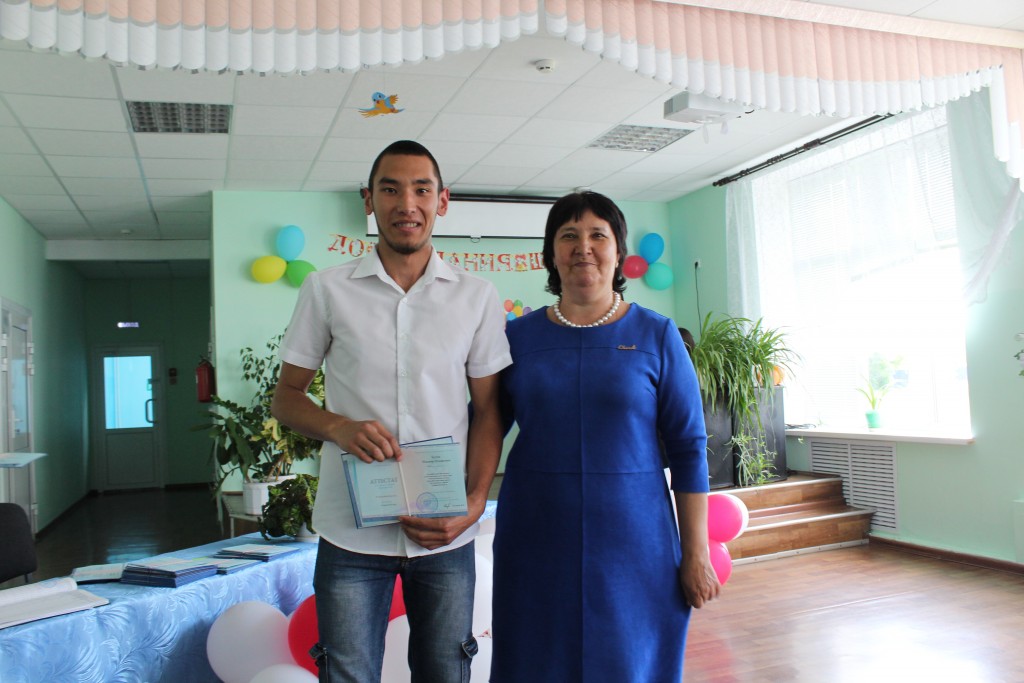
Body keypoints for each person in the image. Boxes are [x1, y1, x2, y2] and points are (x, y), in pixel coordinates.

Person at [271, 140, 512, 683]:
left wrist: (475, 504)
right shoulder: (326, 289)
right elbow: (285, 397)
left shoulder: (475, 296)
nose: (407, 203)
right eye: (391, 189)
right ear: (369, 200)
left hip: (445, 532)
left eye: (422, 189)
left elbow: (489, 412)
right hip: (350, 534)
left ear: (442, 201)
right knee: (348, 674)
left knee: (445, 673)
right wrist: (338, 426)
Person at [490, 191, 720, 682]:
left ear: (619, 251)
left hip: (636, 543)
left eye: (598, 235)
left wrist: (696, 552)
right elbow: (484, 428)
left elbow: (689, 448)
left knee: (629, 664)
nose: (584, 247)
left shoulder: (657, 335)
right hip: (534, 538)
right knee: (535, 664)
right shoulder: (517, 339)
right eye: (568, 236)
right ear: (550, 253)